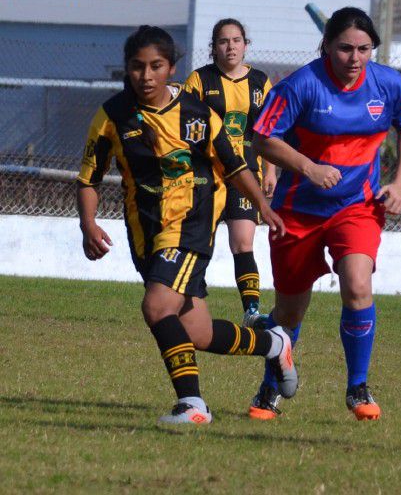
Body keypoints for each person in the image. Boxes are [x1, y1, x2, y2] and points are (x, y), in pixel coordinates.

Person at [76, 25, 297, 425]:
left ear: (171, 68)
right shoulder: (112, 116)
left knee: (157, 306)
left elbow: (235, 165)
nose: (146, 76)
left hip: (193, 222)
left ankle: (192, 405)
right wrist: (88, 223)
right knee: (196, 332)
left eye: (155, 66)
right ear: (127, 69)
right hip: (146, 230)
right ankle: (272, 344)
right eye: (137, 67)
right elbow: (89, 179)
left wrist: (263, 205)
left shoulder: (197, 113)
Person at [248, 7, 401, 421]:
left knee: (358, 283)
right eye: (345, 48)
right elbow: (261, 138)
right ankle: (271, 385)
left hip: (356, 207)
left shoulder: (388, 84)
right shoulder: (300, 85)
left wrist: (400, 184)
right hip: (296, 211)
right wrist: (307, 167)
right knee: (290, 311)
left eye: (364, 48)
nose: (355, 58)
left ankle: (358, 387)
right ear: (327, 45)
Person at [184, 18, 277, 329]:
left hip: (246, 174)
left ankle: (251, 310)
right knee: (198, 242)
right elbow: (183, 128)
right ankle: (186, 301)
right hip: (206, 176)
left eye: (236, 40)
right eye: (224, 41)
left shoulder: (261, 82)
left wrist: (270, 172)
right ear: (214, 48)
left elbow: (270, 133)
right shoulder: (199, 80)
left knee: (243, 243)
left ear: (245, 45)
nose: (231, 46)